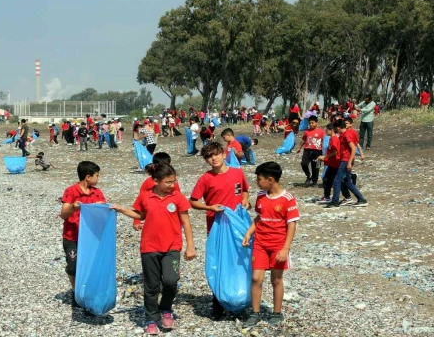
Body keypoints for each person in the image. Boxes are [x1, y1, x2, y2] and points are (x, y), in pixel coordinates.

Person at [111, 164, 196, 335]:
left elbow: (186, 222)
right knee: (151, 286)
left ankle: (166, 309)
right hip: (149, 247)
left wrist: (190, 246)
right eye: (168, 182)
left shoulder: (178, 197)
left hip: (172, 247)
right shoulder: (145, 196)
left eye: (174, 181)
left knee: (171, 281)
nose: (172, 185)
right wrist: (121, 209)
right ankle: (151, 318)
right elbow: (140, 215)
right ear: (156, 181)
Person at [190, 142, 249, 319]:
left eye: (216, 154)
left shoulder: (237, 172)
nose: (213, 158)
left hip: (238, 227)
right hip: (216, 228)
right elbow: (192, 201)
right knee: (219, 264)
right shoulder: (205, 178)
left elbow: (245, 191)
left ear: (224, 154)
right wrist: (210, 207)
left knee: (240, 262)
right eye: (209, 156)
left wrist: (245, 201)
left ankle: (241, 301)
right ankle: (218, 304)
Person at [242, 161, 299, 327]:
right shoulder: (261, 196)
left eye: (259, 179)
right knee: (256, 278)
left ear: (271, 179)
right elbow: (259, 217)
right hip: (260, 243)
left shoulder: (288, 199)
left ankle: (276, 313)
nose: (257, 182)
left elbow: (292, 224)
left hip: (278, 245)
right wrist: (249, 233)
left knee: (276, 280)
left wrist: (286, 248)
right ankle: (255, 313)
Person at [59, 161, 107, 307]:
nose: (98, 179)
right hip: (72, 237)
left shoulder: (97, 193)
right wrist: (73, 207)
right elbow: (63, 214)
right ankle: (75, 291)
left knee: (89, 267)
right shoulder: (71, 191)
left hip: (91, 238)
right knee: (73, 266)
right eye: (97, 176)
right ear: (88, 177)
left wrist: (103, 207)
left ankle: (87, 292)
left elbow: (104, 213)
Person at [325, 117, 368, 208]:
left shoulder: (346, 135)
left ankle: (335, 201)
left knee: (337, 181)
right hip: (344, 160)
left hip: (346, 160)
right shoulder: (343, 135)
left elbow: (353, 148)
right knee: (348, 182)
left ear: (338, 128)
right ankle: (361, 199)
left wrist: (349, 162)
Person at [133, 152, 181, 231]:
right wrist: (136, 221)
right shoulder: (148, 182)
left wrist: (181, 220)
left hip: (171, 219)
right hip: (153, 221)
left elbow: (178, 201)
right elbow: (140, 202)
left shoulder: (172, 183)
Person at [297, 116, 325, 187]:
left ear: (316, 123)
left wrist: (324, 152)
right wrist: (299, 148)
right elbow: (303, 140)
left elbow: (324, 141)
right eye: (310, 123)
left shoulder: (321, 132)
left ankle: (314, 181)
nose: (311, 124)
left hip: (317, 151)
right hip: (307, 150)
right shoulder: (306, 131)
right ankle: (308, 175)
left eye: (313, 123)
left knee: (316, 167)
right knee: (304, 163)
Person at [316, 124, 340, 204]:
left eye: (327, 130)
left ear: (331, 130)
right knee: (327, 179)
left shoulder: (334, 139)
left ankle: (330, 197)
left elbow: (335, 152)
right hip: (331, 163)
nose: (326, 132)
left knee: (331, 180)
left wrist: (324, 157)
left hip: (334, 163)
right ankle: (327, 196)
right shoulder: (331, 139)